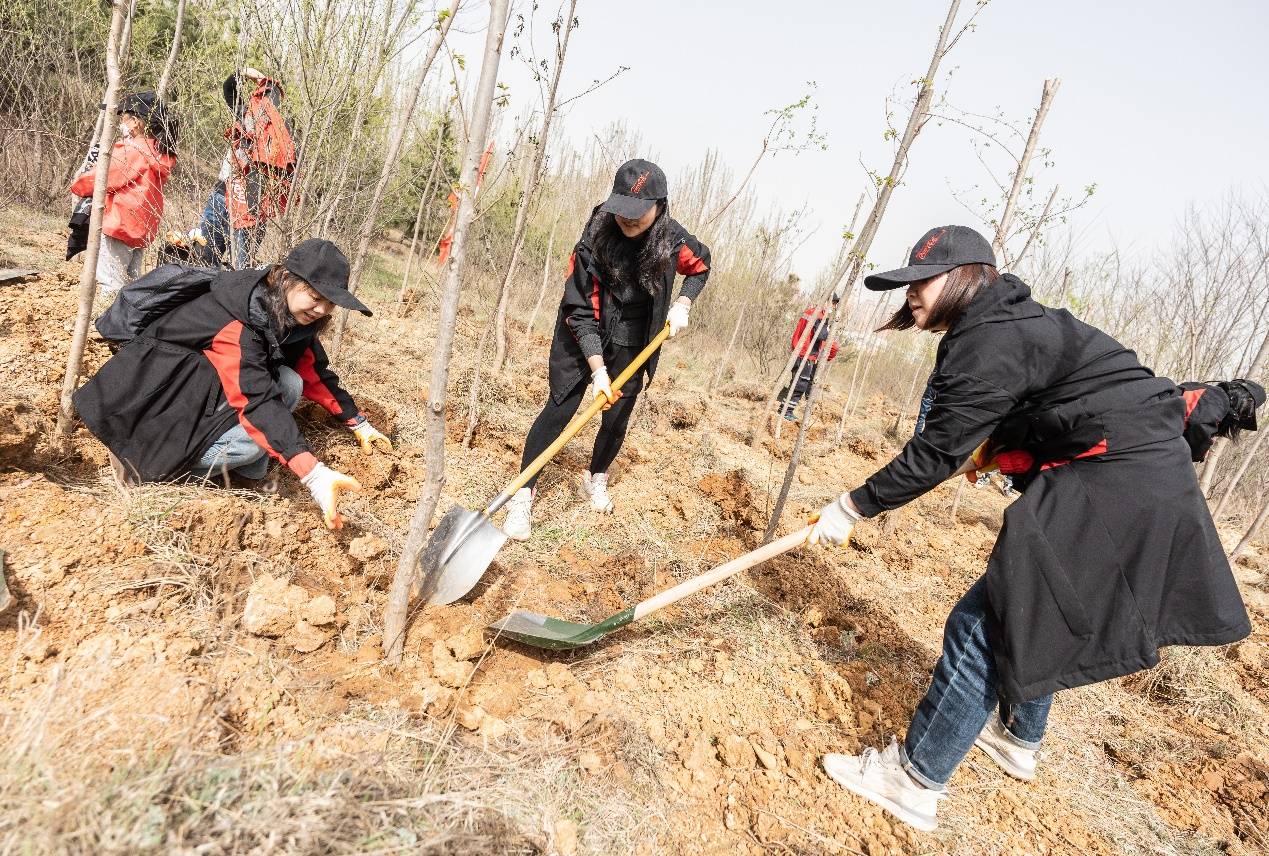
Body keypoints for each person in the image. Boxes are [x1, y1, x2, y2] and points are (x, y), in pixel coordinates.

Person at [804, 225, 1251, 832]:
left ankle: (913, 780)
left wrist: (853, 506)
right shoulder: (1016, 323)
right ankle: (1017, 735)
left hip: (1116, 483)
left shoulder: (987, 340)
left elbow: (935, 453)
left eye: (922, 282)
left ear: (967, 277)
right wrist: (993, 455)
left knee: (986, 620)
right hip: (1142, 477)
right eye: (906, 282)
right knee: (1038, 601)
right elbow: (1051, 412)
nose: (910, 294)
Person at [73, 240, 392, 530]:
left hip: (197, 388)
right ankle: (157, 471)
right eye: (315, 296)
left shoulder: (287, 314)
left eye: (330, 302)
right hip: (151, 402)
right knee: (250, 442)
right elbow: (256, 400)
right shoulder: (239, 318)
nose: (322, 309)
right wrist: (313, 473)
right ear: (285, 279)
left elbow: (315, 374)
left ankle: (241, 478)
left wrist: (359, 424)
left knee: (289, 382)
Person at [502, 159, 711, 540]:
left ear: (659, 206)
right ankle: (522, 494)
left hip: (634, 334)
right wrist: (598, 371)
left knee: (617, 415)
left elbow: (701, 265)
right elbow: (580, 309)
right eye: (622, 213)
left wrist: (684, 304)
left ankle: (596, 475)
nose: (627, 221)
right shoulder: (596, 237)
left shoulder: (672, 239)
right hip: (584, 326)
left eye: (637, 215)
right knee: (560, 406)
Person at [68, 92, 177, 293]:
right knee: (130, 284)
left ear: (135, 122)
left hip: (119, 226)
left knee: (111, 284)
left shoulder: (131, 151)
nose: (121, 123)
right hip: (140, 230)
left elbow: (102, 178)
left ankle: (106, 322)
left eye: (123, 118)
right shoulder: (159, 153)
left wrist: (79, 182)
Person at [193, 68, 295, 269]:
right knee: (204, 258)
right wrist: (244, 73)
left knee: (238, 269)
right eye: (262, 95)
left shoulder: (282, 135)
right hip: (222, 196)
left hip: (252, 209)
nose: (264, 102)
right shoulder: (245, 116)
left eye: (269, 97)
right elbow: (228, 88)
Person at [780, 294, 841, 421]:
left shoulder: (811, 311)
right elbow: (822, 336)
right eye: (833, 303)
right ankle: (787, 411)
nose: (834, 306)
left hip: (799, 349)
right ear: (827, 302)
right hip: (806, 353)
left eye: (835, 304)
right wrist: (829, 329)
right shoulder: (820, 315)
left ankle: (784, 408)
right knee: (801, 383)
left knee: (796, 381)